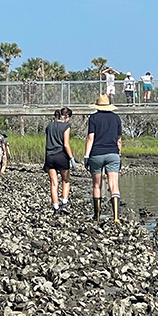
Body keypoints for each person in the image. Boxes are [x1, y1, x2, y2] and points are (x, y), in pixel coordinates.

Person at [83, 94, 123, 222]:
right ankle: (116, 217)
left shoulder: (93, 118)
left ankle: (97, 216)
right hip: (113, 154)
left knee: (96, 185)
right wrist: (119, 154)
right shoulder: (116, 119)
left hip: (97, 154)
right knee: (114, 185)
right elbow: (119, 140)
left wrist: (86, 156)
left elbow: (90, 138)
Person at [44, 107, 77, 215]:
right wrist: (71, 158)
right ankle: (64, 202)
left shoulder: (49, 126)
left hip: (50, 156)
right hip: (61, 155)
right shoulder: (66, 126)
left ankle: (55, 207)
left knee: (54, 183)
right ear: (66, 117)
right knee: (65, 180)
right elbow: (66, 144)